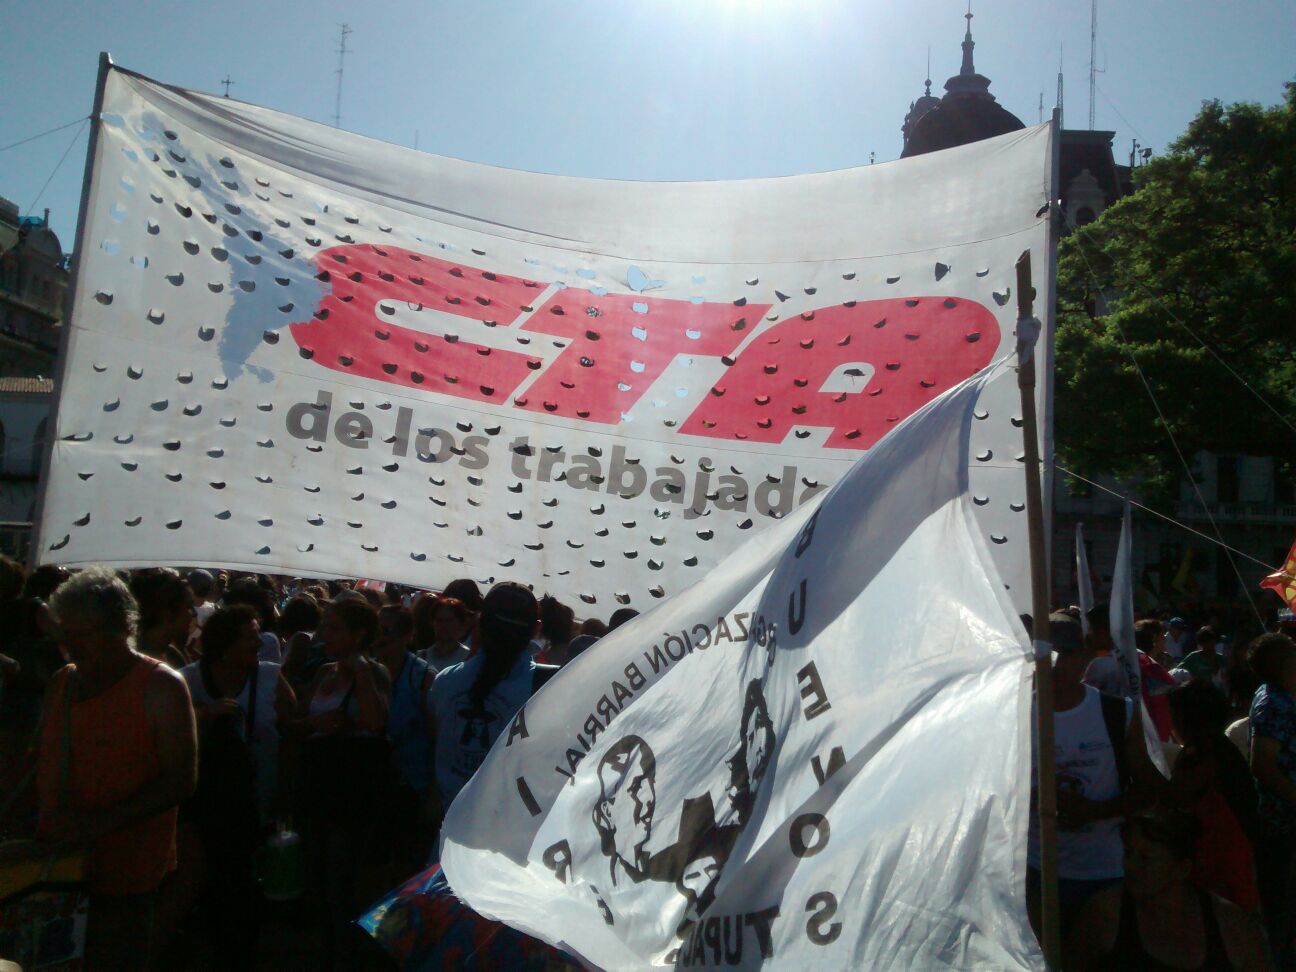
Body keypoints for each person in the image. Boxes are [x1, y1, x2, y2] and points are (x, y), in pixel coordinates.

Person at [38, 567, 198, 971]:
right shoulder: (62, 683)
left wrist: (97, 824)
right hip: (56, 871)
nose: (71, 646)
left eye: (83, 634)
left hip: (130, 876)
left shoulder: (161, 687)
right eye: (65, 635)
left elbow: (181, 781)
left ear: (123, 627)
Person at [1027, 613, 1160, 941]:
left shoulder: (1117, 712)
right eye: (1047, 655)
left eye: (1066, 653)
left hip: (1103, 872)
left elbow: (1149, 788)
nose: (1056, 665)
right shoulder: (1012, 716)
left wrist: (1094, 811)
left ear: (1085, 656)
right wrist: (1031, 801)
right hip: (1035, 869)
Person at [179, 604, 296, 964]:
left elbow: (292, 731)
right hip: (202, 801)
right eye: (250, 637)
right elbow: (169, 728)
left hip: (257, 798)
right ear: (225, 643)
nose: (259, 643)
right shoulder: (188, 680)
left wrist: (285, 791)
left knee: (246, 879)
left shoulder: (271, 677)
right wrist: (204, 714)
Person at [297, 598, 393, 970]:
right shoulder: (323, 672)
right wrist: (315, 725)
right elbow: (299, 720)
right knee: (317, 872)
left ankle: (344, 955)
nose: (326, 634)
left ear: (359, 634)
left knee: (339, 875)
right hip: (318, 782)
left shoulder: (374, 672)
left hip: (349, 789)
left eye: (335, 628)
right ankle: (329, 947)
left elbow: (375, 720)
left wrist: (361, 674)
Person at [1067, 809, 1271, 971]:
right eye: (1128, 853)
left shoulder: (1230, 924)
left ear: (1182, 869)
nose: (1130, 865)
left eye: (1146, 858)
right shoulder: (1104, 914)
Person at [427, 582, 546, 809]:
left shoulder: (444, 682)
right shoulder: (545, 689)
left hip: (448, 817)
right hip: (506, 819)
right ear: (535, 629)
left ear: (479, 623)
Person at [1168, 679, 1259, 910]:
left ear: (1183, 718)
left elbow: (1177, 797)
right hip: (1238, 851)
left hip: (1218, 855)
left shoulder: (1198, 755)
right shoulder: (1223, 747)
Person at [373, 603, 436, 876]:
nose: (380, 637)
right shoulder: (366, 669)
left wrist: (432, 787)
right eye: (377, 630)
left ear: (407, 636)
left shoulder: (423, 676)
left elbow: (435, 734)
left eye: (388, 631)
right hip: (373, 776)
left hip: (411, 779)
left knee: (406, 855)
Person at [1247, 631, 1296, 964]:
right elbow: (1262, 765)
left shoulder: (1285, 696)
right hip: (1283, 822)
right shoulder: (1273, 703)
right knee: (1282, 905)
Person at [130, 567, 198, 669]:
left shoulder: (172, 654)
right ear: (168, 613)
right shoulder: (136, 662)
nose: (193, 614)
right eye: (188, 607)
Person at [415, 594, 473, 673]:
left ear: (460, 623)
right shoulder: (422, 657)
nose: (443, 625)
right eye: (439, 620)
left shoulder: (468, 658)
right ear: (433, 623)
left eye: (449, 620)